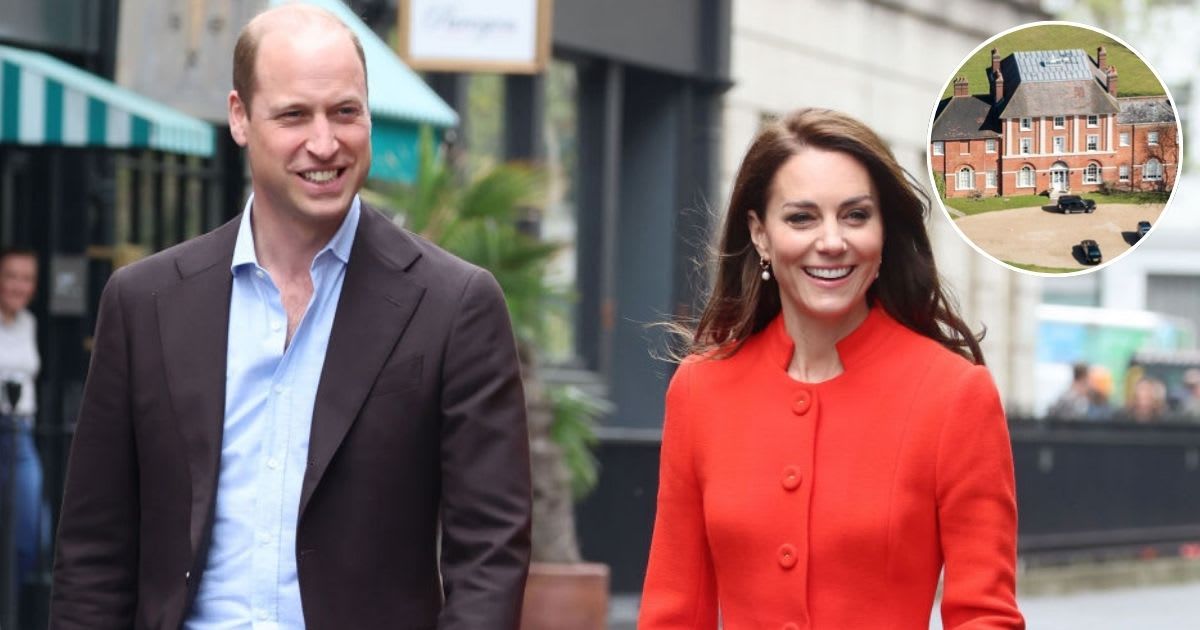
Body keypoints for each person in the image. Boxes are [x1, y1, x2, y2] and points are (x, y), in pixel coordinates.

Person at [50, 5, 531, 629]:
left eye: (345, 112)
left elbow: (490, 555)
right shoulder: (144, 302)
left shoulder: (454, 304)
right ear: (240, 118)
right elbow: (93, 551)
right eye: (294, 115)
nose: (325, 142)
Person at [639, 109, 1023, 628]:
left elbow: (984, 615)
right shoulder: (700, 389)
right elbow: (673, 610)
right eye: (801, 218)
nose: (832, 241)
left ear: (883, 231)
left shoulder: (954, 395)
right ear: (760, 234)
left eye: (855, 215)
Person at [0, 248, 49, 584]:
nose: (19, 286)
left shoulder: (29, 323)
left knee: (35, 532)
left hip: (22, 431)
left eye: (27, 278)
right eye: (11, 276)